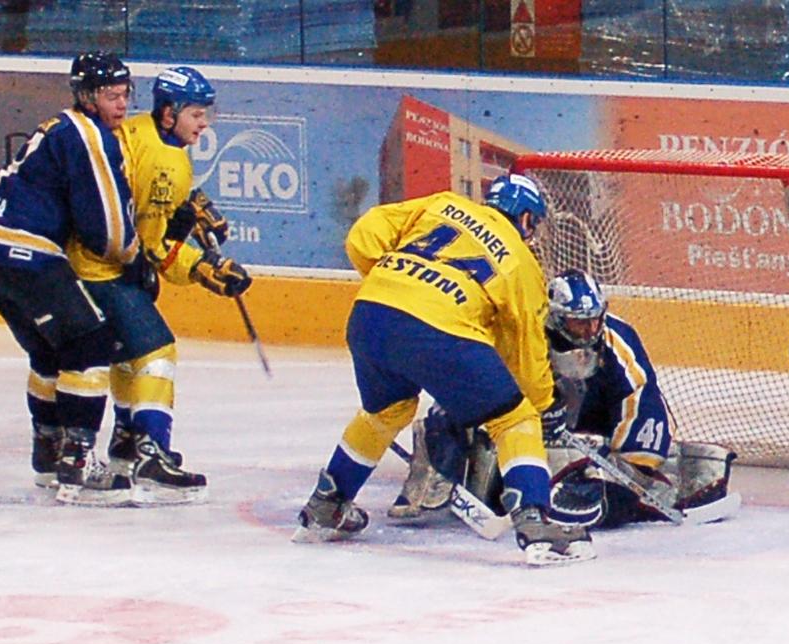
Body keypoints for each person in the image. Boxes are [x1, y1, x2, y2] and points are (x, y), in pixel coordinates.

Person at [293, 174, 596, 565]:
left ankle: (326, 505)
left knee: (385, 412)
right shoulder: (522, 263)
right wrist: (542, 404)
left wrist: (398, 284)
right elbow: (525, 347)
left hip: (371, 313)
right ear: (525, 218)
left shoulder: (442, 204)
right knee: (515, 418)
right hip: (439, 331)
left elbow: (363, 236)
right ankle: (536, 524)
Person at [393, 268, 736, 528]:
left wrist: (632, 466)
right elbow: (475, 381)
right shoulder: (525, 333)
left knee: (623, 481)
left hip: (592, 433)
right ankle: (439, 467)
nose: (589, 331)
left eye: (594, 321)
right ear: (556, 318)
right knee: (452, 421)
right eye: (578, 324)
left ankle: (589, 484)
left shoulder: (617, 340)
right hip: (526, 424)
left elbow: (641, 398)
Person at [68, 65, 251, 505]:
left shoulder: (152, 142)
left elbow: (152, 231)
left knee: (128, 355)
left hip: (91, 264)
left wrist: (188, 219)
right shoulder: (155, 156)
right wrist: (202, 267)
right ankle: (151, 454)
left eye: (206, 114)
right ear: (168, 113)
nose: (204, 124)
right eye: (196, 114)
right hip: (102, 269)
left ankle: (126, 441)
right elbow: (149, 246)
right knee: (157, 351)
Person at [0, 51, 139, 505]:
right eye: (111, 95)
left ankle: (48, 457)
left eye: (125, 94)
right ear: (87, 96)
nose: (121, 104)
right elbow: (106, 226)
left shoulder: (57, 127)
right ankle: (77, 463)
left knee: (48, 352)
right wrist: (133, 256)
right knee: (90, 344)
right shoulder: (88, 134)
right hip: (27, 252)